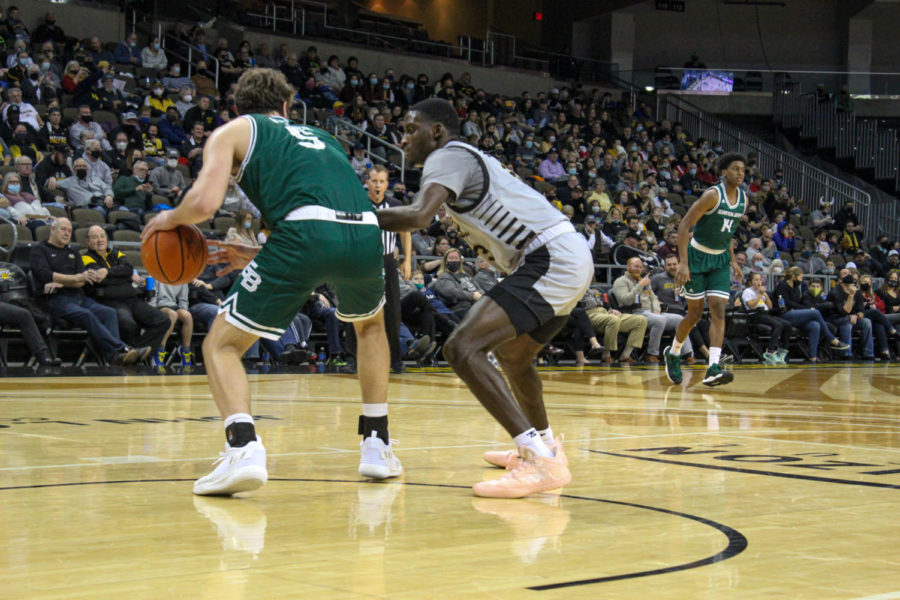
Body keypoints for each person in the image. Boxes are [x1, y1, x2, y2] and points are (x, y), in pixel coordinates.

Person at [142, 68, 400, 496]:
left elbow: (205, 203)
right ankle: (377, 444)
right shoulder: (323, 138)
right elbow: (327, 213)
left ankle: (243, 449)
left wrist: (167, 218)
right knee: (370, 327)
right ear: (286, 106)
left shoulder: (235, 131)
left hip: (302, 234)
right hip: (365, 232)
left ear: (237, 109)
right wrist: (265, 252)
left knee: (221, 345)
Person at [377, 98, 593, 498]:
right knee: (514, 357)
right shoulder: (464, 158)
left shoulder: (447, 157)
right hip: (566, 255)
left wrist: (353, 217)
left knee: (462, 348)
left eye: (410, 130)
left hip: (550, 257)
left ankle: (536, 459)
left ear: (437, 131)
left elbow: (420, 216)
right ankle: (546, 448)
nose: (402, 138)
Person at [665, 153, 747, 387]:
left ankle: (713, 366)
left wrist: (732, 261)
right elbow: (684, 225)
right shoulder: (712, 195)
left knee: (719, 309)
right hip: (697, 256)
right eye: (735, 169)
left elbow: (727, 233)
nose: (740, 173)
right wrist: (683, 263)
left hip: (720, 259)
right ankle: (674, 352)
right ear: (724, 172)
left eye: (742, 169)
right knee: (694, 314)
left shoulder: (743, 200)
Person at [30, 218, 149, 366]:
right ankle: (119, 350)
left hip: (78, 296)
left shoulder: (73, 252)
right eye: (63, 229)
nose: (67, 233)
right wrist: (73, 279)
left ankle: (113, 356)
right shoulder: (39, 250)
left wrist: (61, 282)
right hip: (55, 299)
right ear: (52, 230)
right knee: (86, 314)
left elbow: (83, 280)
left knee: (108, 313)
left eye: (69, 231)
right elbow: (45, 275)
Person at [81, 226, 170, 355]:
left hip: (133, 300)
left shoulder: (116, 253)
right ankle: (129, 353)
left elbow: (128, 268)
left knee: (163, 321)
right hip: (110, 301)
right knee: (128, 324)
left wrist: (107, 272)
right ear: (88, 241)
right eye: (95, 237)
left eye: (102, 236)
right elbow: (100, 279)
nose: (99, 240)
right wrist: (123, 277)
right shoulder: (86, 257)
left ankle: (135, 351)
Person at [367, 164, 412, 373]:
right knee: (358, 308)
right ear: (367, 182)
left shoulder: (394, 204)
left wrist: (407, 261)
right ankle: (353, 356)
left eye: (382, 181)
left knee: (393, 310)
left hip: (387, 260)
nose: (378, 185)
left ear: (387, 184)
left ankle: (395, 359)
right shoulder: (358, 204)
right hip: (363, 261)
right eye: (374, 181)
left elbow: (405, 233)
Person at [613, 257, 693, 362]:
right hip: (634, 313)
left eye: (640, 267)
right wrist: (639, 286)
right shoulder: (620, 281)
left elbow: (654, 298)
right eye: (636, 266)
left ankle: (687, 354)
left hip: (651, 313)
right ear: (628, 267)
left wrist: (656, 309)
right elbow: (625, 301)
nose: (638, 269)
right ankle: (651, 354)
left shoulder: (643, 281)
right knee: (659, 320)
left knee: (680, 319)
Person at [772, 267, 849, 362]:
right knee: (815, 312)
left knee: (815, 325)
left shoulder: (796, 289)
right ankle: (832, 339)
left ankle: (812, 356)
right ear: (793, 277)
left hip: (795, 315)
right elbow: (788, 304)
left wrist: (805, 309)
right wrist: (807, 309)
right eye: (800, 278)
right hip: (783, 315)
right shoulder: (782, 286)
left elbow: (797, 304)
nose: (801, 280)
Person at [741, 272, 793, 364]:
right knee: (778, 325)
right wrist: (759, 295)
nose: (759, 282)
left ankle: (782, 351)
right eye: (756, 280)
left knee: (788, 324)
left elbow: (770, 307)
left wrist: (765, 295)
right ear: (750, 282)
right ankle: (770, 351)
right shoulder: (747, 292)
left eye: (760, 280)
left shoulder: (762, 292)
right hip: (755, 315)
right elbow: (752, 306)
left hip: (765, 313)